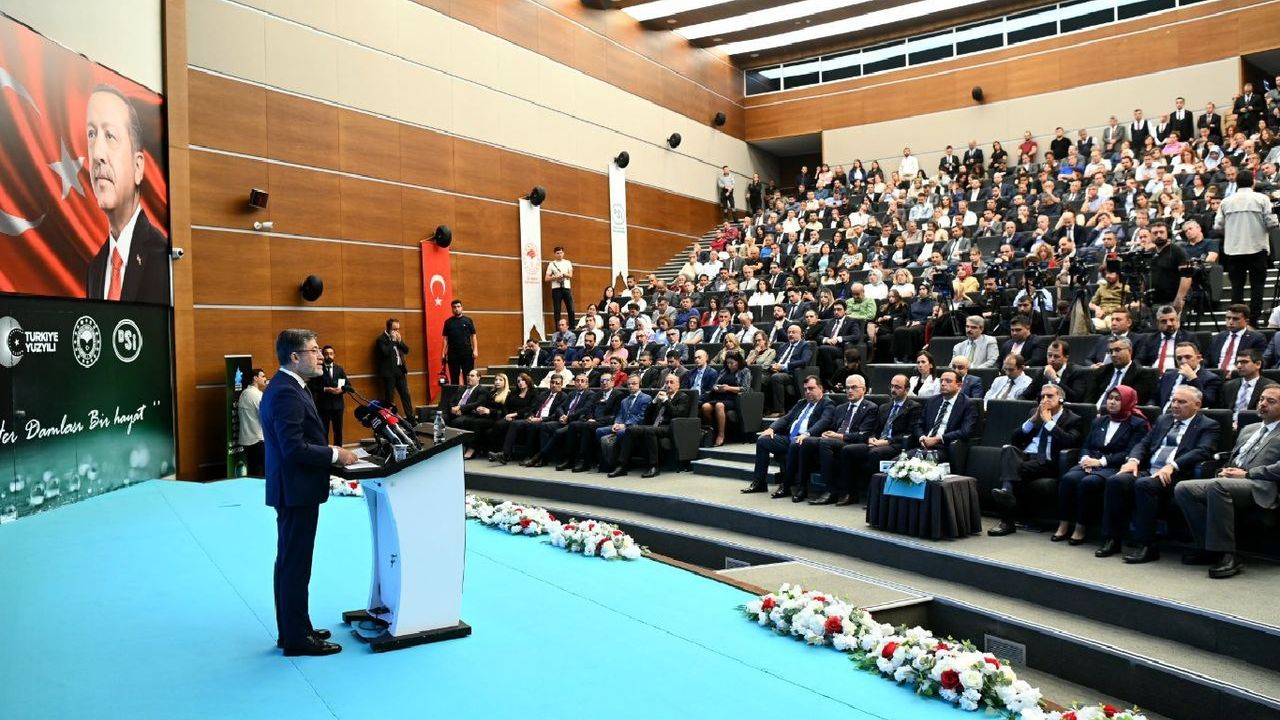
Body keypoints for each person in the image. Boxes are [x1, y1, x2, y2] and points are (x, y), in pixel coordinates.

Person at [261, 329, 357, 657]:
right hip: (295, 490)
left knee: (292, 562)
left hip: (295, 489)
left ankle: (294, 629)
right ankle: (297, 638)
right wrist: (335, 454)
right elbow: (293, 448)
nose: (319, 356)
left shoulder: (290, 386)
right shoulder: (286, 392)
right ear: (294, 356)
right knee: (295, 564)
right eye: (313, 351)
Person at [1097, 385, 1220, 564]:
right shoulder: (1164, 420)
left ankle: (1146, 546)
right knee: (1116, 481)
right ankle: (1112, 539)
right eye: (1173, 400)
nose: (1175, 405)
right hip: (1150, 469)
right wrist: (1133, 460)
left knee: (1144, 485)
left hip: (1177, 475)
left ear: (1197, 405)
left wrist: (1173, 465)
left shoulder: (1208, 425)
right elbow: (1144, 443)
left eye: (1181, 402)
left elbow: (1203, 451)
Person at [1175, 386, 1280, 579]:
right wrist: (1223, 471)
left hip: (1261, 484)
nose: (1263, 404)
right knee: (1183, 488)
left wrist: (1247, 474)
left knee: (1218, 486)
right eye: (1261, 399)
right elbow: (1231, 458)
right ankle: (1207, 547)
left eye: (1271, 401)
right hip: (1233, 480)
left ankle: (1228, 555)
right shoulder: (1249, 429)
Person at [84, 84, 170, 304]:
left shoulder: (164, 257)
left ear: (138, 166)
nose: (97, 153)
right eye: (91, 134)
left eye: (110, 135)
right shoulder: (95, 269)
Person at [1054, 386, 1150, 545]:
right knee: (1068, 479)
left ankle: (1081, 526)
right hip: (1091, 463)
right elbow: (1086, 445)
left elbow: (1129, 452)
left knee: (1088, 482)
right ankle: (1063, 524)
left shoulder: (1137, 424)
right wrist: (1085, 458)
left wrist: (1100, 462)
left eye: (1117, 399)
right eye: (1110, 398)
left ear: (1127, 401)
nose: (1112, 402)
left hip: (1115, 466)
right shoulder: (1099, 420)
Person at [987, 384, 1084, 536]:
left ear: (1061, 399)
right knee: (1008, 449)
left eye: (1049, 396)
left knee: (1014, 470)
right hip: (1026, 455)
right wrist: (1032, 420)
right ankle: (1007, 491)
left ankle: (1006, 517)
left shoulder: (1072, 419)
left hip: (1047, 460)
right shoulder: (1034, 412)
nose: (1044, 399)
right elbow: (1015, 439)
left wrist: (1049, 423)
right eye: (1042, 396)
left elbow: (1070, 442)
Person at [821, 374, 921, 505]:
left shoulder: (913, 407)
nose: (893, 390)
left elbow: (910, 433)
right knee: (848, 450)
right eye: (891, 386)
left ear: (906, 390)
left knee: (875, 453)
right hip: (877, 442)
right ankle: (849, 493)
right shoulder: (885, 407)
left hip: (896, 444)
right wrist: (872, 438)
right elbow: (875, 429)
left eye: (897, 387)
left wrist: (887, 441)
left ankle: (873, 496)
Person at [740, 375, 834, 501]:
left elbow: (824, 422)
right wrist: (772, 428)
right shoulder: (802, 403)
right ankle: (759, 482)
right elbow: (786, 418)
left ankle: (786, 485)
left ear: (820, 388)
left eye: (811, 388)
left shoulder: (827, 403)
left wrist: (807, 433)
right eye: (805, 389)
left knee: (795, 444)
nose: (807, 392)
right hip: (789, 438)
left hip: (808, 440)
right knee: (763, 440)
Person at [1215, 171, 1279, 324]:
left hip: (1234, 249)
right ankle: (1254, 319)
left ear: (1236, 183)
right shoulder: (1262, 199)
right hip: (1257, 248)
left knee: (1237, 286)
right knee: (1257, 285)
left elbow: (1218, 226)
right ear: (1253, 182)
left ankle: (1236, 319)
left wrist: (1232, 232)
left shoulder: (1226, 202)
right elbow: (1271, 223)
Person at [809, 375, 879, 505]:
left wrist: (838, 436)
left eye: (854, 387)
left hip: (855, 443)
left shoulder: (871, 408)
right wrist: (826, 433)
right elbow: (832, 427)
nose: (850, 391)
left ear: (863, 389)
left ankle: (830, 490)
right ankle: (799, 486)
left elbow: (863, 435)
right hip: (836, 441)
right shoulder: (841, 408)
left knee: (825, 443)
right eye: (847, 388)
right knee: (807, 441)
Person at [614, 373, 692, 478]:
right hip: (656, 425)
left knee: (650, 430)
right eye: (666, 382)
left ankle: (654, 466)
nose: (668, 385)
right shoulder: (662, 395)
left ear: (678, 385)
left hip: (671, 427)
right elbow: (648, 415)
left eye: (671, 382)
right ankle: (622, 466)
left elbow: (677, 414)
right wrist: (654, 402)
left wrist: (666, 401)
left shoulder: (683, 397)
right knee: (631, 429)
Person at [917, 370, 979, 464]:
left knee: (919, 464)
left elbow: (965, 431)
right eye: (941, 381)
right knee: (899, 461)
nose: (943, 384)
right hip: (924, 446)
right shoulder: (932, 401)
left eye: (948, 381)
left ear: (959, 385)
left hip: (946, 447)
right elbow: (919, 424)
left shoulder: (967, 404)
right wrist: (922, 437)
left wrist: (938, 439)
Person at [599, 376, 651, 473]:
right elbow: (620, 415)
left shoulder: (646, 398)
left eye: (634, 383)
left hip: (635, 426)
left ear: (640, 384)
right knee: (599, 431)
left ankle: (621, 463)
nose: (631, 386)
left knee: (621, 432)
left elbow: (641, 417)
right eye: (629, 384)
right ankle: (607, 461)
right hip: (622, 425)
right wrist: (616, 423)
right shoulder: (624, 400)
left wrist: (625, 425)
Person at [1090, 337, 1157, 407]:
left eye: (1117, 350)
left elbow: (1136, 402)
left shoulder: (1143, 374)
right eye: (1111, 351)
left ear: (1130, 351)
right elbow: (1089, 399)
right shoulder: (1101, 371)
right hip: (1095, 410)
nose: (1113, 354)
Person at [703, 352, 752, 447]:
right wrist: (717, 388)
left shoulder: (745, 371)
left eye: (732, 363)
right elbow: (715, 384)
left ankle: (721, 435)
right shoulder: (724, 371)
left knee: (719, 405)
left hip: (734, 399)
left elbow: (746, 388)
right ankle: (713, 430)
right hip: (720, 396)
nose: (729, 365)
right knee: (705, 407)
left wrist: (728, 388)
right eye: (728, 363)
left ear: (738, 362)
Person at [763, 324, 814, 415]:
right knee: (762, 378)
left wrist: (783, 367)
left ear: (801, 334)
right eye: (789, 332)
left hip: (792, 373)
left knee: (776, 377)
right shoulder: (784, 346)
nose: (790, 334)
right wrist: (774, 365)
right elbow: (776, 359)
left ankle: (779, 410)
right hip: (778, 371)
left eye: (793, 332)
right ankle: (766, 409)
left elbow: (804, 361)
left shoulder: (806, 345)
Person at [1156, 342, 1221, 411]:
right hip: (1163, 414)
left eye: (1188, 357)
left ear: (1198, 358)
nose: (1183, 361)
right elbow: (1155, 398)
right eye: (1179, 358)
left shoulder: (1211, 379)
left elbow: (1206, 402)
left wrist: (1193, 379)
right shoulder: (1168, 376)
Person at [1208, 304, 1268, 375]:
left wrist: (1236, 372)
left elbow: (1258, 361)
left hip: (1239, 375)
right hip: (1215, 375)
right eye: (1228, 318)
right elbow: (1208, 360)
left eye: (1235, 319)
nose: (1230, 322)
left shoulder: (1256, 338)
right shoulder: (1217, 338)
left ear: (1246, 321)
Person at [1026, 340, 1091, 403]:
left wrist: (1055, 379)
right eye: (1049, 355)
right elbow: (1026, 395)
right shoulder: (1041, 372)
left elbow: (1076, 398)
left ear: (1066, 358)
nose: (1052, 359)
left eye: (1056, 356)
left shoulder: (1077, 372)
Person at [446, 369, 491, 459]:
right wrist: (452, 409)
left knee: (456, 422)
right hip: (455, 412)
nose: (469, 377)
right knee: (442, 418)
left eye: (472, 376)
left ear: (479, 378)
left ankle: (455, 450)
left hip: (469, 414)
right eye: (468, 375)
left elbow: (478, 403)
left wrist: (460, 408)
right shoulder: (462, 388)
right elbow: (451, 400)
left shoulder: (482, 389)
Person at [307, 346, 347, 446]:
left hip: (338, 406)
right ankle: (325, 451)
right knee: (324, 431)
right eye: (326, 354)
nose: (329, 356)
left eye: (331, 353)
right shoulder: (318, 369)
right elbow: (311, 386)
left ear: (334, 355)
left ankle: (339, 451)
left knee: (338, 432)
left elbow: (347, 385)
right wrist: (326, 389)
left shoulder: (339, 369)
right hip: (324, 406)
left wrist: (341, 390)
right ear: (323, 355)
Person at [1220, 349, 1276, 417]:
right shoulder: (1228, 386)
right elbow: (1221, 411)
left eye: (1244, 362)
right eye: (1237, 363)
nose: (1239, 366)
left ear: (1258, 364)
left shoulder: (1271, 388)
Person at [375, 318, 413, 415]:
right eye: (395, 329)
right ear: (388, 329)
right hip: (389, 373)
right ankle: (391, 419)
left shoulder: (397, 338)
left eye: (398, 329)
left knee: (406, 395)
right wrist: (392, 340)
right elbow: (385, 353)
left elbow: (406, 350)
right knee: (390, 398)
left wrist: (399, 342)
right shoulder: (381, 339)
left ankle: (411, 419)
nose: (397, 331)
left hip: (400, 371)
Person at [237, 368, 267, 476]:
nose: (265, 379)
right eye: (262, 376)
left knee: (253, 470)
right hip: (258, 439)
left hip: (248, 439)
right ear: (255, 378)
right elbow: (265, 417)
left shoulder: (244, 393)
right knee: (263, 471)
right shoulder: (257, 395)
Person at [441, 299, 478, 385]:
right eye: (454, 307)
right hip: (453, 353)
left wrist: (475, 349)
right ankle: (456, 394)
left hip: (467, 352)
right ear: (452, 309)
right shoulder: (448, 322)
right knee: (454, 377)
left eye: (458, 306)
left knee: (468, 376)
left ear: (462, 307)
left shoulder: (468, 320)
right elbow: (445, 339)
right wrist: (443, 353)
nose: (456, 309)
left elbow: (473, 336)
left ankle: (468, 393)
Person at [545, 246, 575, 326]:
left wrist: (563, 274)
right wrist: (555, 277)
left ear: (563, 253)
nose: (559, 255)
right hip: (556, 289)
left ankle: (572, 326)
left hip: (566, 288)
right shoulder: (551, 264)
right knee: (557, 310)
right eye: (558, 253)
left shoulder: (567, 262)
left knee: (570, 308)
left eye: (561, 253)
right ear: (554, 254)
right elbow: (546, 278)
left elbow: (571, 275)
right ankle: (558, 328)